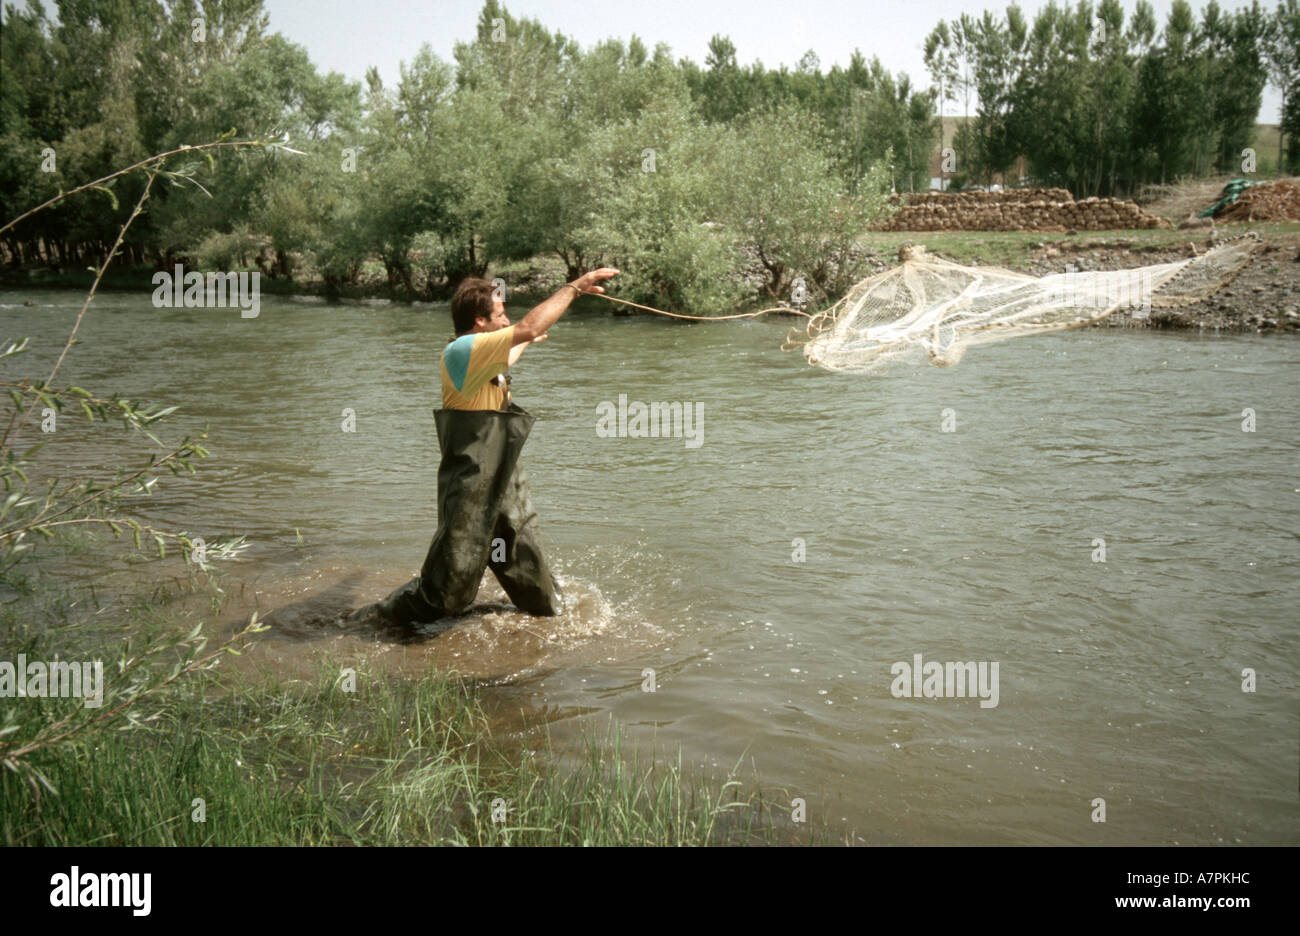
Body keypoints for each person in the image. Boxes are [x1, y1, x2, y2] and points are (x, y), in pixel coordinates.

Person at [354, 267, 620, 629]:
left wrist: (528, 337)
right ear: (479, 322)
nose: (506, 319)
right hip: (471, 480)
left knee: (524, 557)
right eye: (500, 315)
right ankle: (371, 620)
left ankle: (549, 618)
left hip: (502, 470)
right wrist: (574, 288)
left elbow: (515, 347)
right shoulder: (464, 349)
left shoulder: (478, 353)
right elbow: (526, 326)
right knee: (449, 590)